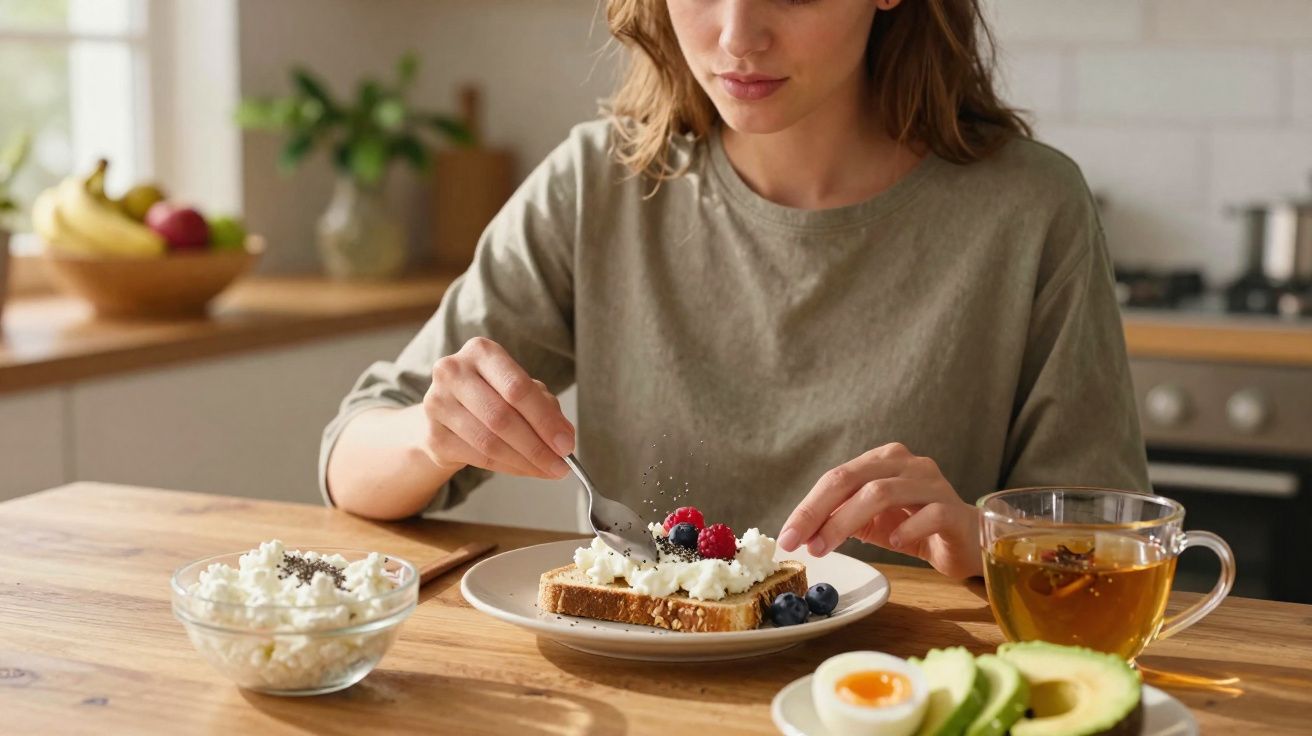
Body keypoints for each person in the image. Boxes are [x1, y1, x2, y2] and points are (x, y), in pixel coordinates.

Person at [320, 0, 1148, 580]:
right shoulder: (595, 184)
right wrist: (430, 437)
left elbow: (1105, 548)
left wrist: (981, 538)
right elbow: (349, 465)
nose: (736, 35)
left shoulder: (1032, 210)